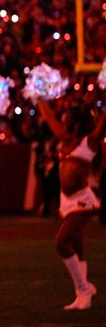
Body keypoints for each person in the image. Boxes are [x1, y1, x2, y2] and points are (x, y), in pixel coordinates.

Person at [38, 99, 106, 310]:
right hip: (67, 201)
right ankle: (83, 293)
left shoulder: (91, 141)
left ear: (76, 120)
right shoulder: (65, 139)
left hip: (83, 201)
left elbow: (103, 121)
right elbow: (49, 117)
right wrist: (38, 95)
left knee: (62, 243)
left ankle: (83, 289)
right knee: (77, 247)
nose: (64, 119)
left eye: (68, 117)